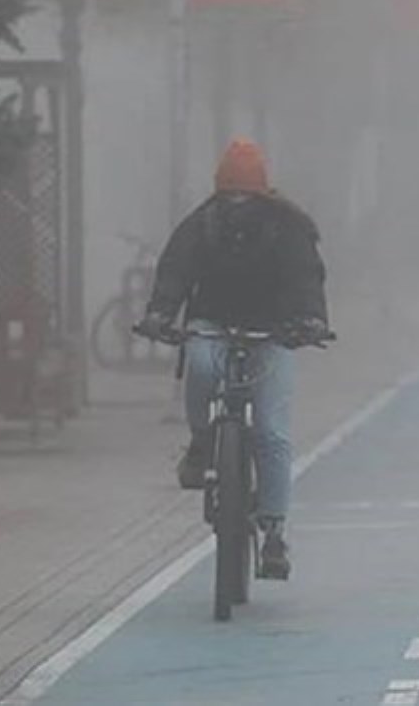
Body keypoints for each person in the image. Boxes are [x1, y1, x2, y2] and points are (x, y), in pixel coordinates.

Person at [137, 138, 330, 580]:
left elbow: (305, 277)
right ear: (219, 191)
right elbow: (175, 271)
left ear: (262, 191)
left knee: (273, 432)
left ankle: (274, 532)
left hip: (273, 333)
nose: (237, 202)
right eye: (231, 193)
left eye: (245, 193)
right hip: (212, 325)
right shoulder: (201, 224)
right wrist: (160, 313)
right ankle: (203, 440)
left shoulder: (289, 227)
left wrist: (311, 321)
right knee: (201, 366)